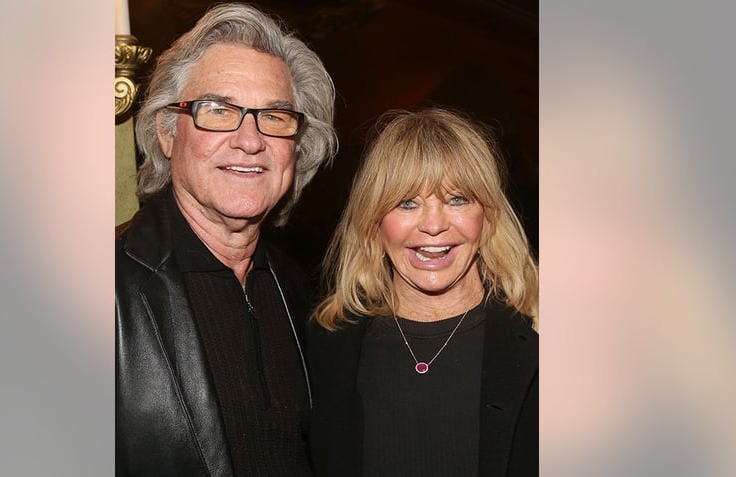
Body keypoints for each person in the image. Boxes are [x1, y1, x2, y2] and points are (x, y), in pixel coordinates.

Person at [115, 3, 337, 476]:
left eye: (275, 118)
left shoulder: (301, 292)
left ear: (298, 147)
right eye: (219, 111)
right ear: (168, 133)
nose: (250, 140)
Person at [308, 108, 538, 476]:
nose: (433, 225)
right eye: (407, 202)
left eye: (458, 199)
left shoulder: (548, 343)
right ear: (374, 222)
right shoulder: (322, 350)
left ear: (488, 216)